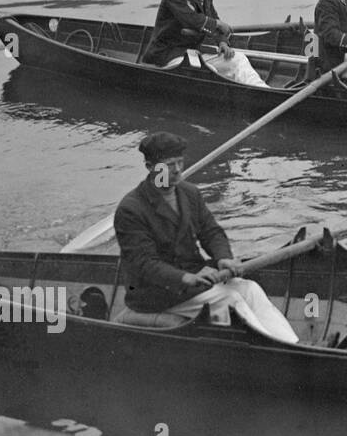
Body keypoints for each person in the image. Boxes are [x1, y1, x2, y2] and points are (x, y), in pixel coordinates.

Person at [112, 132, 299, 343]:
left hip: (194, 279)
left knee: (250, 289)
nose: (177, 171)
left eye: (180, 163)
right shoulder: (131, 209)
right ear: (149, 166)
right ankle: (270, 347)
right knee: (229, 299)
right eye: (169, 165)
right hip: (156, 293)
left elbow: (211, 232)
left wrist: (222, 258)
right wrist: (185, 278)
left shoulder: (189, 193)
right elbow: (144, 264)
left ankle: (292, 345)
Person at [142, 0, 266, 85]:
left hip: (192, 54)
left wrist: (222, 42)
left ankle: (264, 90)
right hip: (167, 55)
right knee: (207, 70)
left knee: (238, 59)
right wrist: (217, 24)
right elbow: (191, 20)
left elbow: (214, 21)